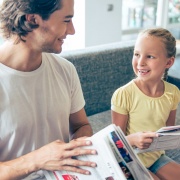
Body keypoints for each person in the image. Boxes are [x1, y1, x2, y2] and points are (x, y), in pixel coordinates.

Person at [0, 0, 97, 179]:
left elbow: (81, 125)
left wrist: (76, 151)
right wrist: (37, 160)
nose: (72, 30)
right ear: (33, 19)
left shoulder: (65, 70)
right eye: (66, 20)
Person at [111, 28, 180, 180]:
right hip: (130, 161)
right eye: (137, 54)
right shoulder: (124, 94)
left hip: (156, 157)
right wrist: (134, 139)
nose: (140, 62)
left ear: (168, 62)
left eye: (149, 56)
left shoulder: (173, 92)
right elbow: (115, 144)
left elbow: (167, 133)